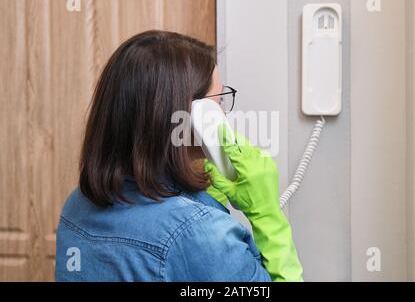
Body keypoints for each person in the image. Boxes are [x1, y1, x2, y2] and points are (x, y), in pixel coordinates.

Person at [55, 30, 303, 282]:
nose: (225, 114)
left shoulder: (77, 203)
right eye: (218, 101)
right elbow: (194, 244)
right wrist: (267, 212)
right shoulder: (199, 232)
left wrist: (207, 192)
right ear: (189, 117)